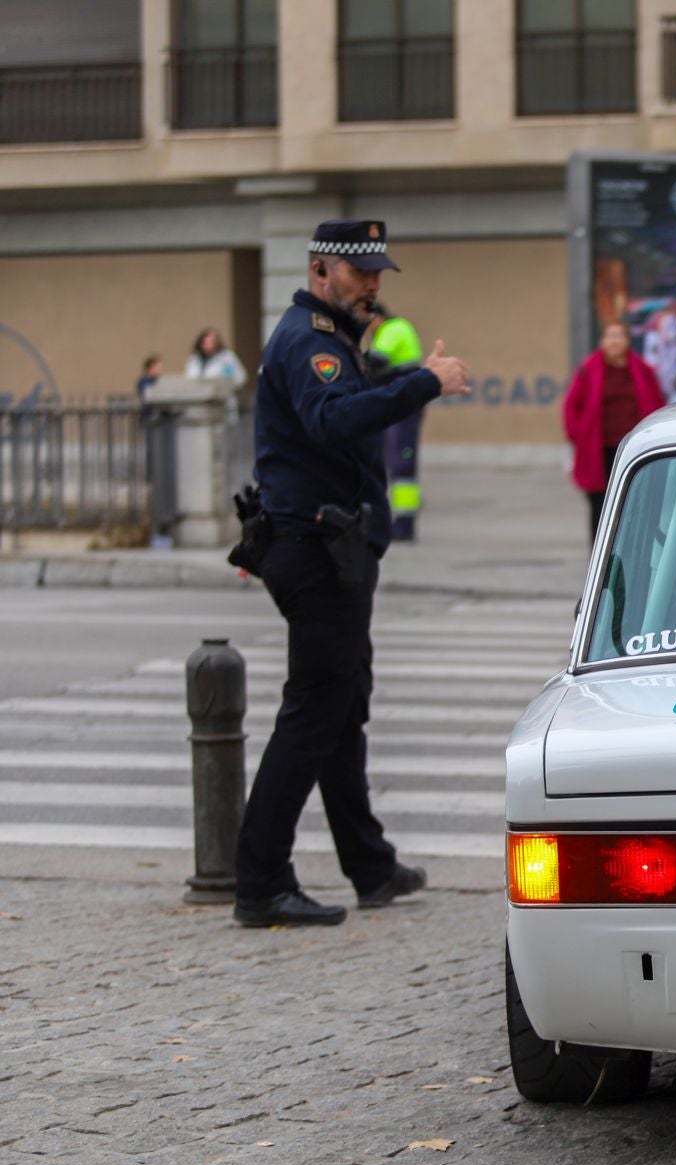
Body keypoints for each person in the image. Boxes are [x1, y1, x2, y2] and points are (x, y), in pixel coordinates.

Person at [233, 218, 471, 927]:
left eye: (377, 274)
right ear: (320, 273)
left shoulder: (333, 340)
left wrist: (404, 377)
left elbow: (350, 397)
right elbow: (333, 419)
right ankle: (260, 881)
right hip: (312, 549)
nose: (372, 285)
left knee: (342, 708)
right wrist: (425, 383)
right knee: (315, 711)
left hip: (330, 546)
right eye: (359, 272)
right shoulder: (310, 342)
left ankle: (369, 866)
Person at [564, 321, 668, 535]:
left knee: (633, 503)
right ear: (602, 341)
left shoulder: (642, 369)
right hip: (598, 449)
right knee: (600, 508)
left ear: (628, 341)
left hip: (634, 448)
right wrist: (579, 435)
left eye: (619, 336)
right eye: (610, 336)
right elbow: (571, 407)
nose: (614, 341)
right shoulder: (588, 369)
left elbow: (657, 403)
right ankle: (599, 560)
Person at [368, 302, 426, 541]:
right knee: (396, 461)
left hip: (404, 409)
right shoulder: (391, 330)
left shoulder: (394, 328)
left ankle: (404, 523)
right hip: (401, 407)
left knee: (401, 462)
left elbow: (376, 361)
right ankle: (400, 520)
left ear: (378, 316)